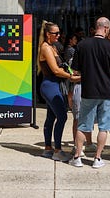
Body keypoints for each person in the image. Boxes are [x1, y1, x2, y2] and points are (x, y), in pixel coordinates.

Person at [69, 17, 110, 168]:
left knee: (83, 125)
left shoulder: (83, 45)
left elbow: (75, 70)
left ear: (96, 27)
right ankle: (97, 158)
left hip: (88, 90)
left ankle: (77, 157)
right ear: (106, 29)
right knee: (104, 127)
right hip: (107, 92)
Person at [37, 20, 80, 161]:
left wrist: (69, 72)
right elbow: (55, 70)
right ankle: (57, 150)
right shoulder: (46, 48)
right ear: (48, 34)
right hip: (50, 85)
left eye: (59, 32)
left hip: (54, 85)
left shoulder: (52, 46)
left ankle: (48, 148)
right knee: (62, 116)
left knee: (51, 117)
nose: (58, 35)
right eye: (55, 33)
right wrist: (71, 77)